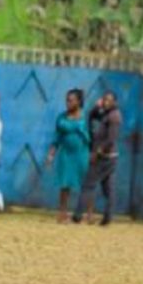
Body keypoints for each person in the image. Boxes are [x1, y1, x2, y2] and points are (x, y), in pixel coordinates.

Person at [72, 91, 122, 226]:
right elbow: (92, 116)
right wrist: (96, 107)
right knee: (108, 188)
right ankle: (107, 218)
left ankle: (77, 215)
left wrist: (97, 153)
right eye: (104, 99)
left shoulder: (114, 117)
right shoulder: (105, 113)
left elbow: (111, 139)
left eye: (109, 100)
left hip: (104, 156)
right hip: (109, 156)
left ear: (114, 102)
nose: (105, 102)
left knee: (88, 185)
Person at [47, 89, 90, 224]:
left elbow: (91, 137)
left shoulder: (85, 118)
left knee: (86, 184)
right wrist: (51, 155)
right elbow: (57, 138)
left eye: (71, 100)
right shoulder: (61, 118)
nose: (68, 103)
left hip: (81, 154)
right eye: (67, 100)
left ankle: (88, 214)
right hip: (66, 154)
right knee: (65, 184)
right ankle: (62, 213)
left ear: (78, 101)